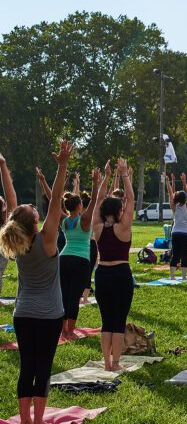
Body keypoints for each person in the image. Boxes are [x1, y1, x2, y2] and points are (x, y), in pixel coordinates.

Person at [0, 141, 71, 424]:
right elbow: (56, 200)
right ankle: (39, 421)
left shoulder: (18, 243)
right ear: (36, 220)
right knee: (43, 367)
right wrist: (62, 165)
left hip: (23, 314)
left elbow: (12, 202)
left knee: (27, 366)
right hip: (50, 315)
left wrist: (3, 168)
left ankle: (26, 421)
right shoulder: (47, 240)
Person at [90, 158, 135, 371]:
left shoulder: (97, 227)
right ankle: (115, 363)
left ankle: (107, 363)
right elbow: (132, 199)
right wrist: (124, 173)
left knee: (106, 320)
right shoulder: (123, 228)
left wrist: (106, 178)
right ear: (119, 211)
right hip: (121, 274)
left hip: (102, 274)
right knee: (119, 321)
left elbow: (98, 199)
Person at [58, 171, 98, 339]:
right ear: (79, 206)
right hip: (80, 260)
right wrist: (96, 182)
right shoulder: (84, 220)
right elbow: (95, 201)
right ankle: (69, 332)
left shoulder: (64, 220)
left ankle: (62, 330)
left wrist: (48, 182)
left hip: (63, 258)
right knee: (74, 297)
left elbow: (54, 200)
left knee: (64, 295)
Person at [166, 171, 187, 281]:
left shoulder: (174, 206)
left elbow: (170, 193)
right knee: (184, 255)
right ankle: (184, 276)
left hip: (176, 233)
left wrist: (167, 182)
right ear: (185, 199)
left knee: (175, 255)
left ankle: (172, 276)